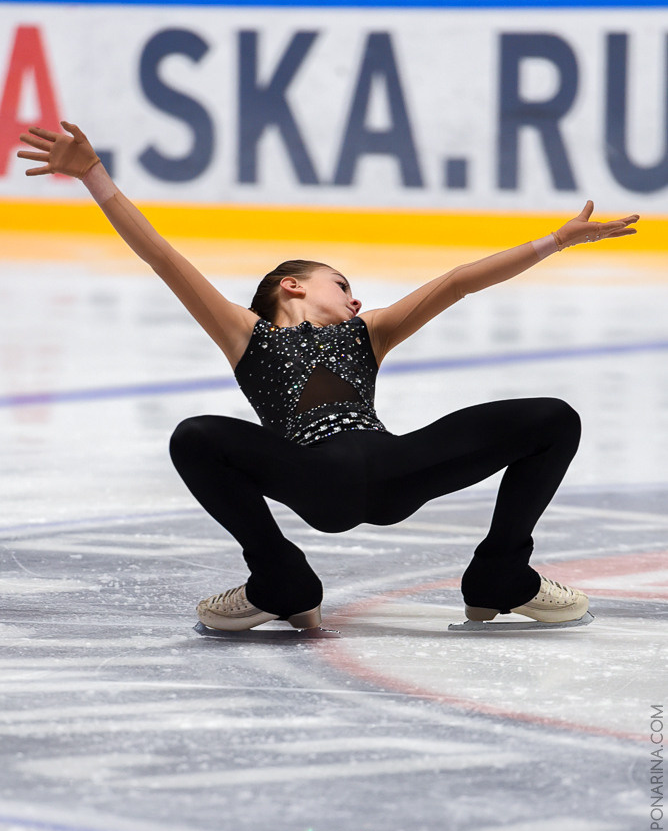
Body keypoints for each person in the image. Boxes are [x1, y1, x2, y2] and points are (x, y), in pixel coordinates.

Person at [18, 122, 639, 632]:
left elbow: (456, 281)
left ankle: (501, 572)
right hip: (314, 477)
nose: (355, 299)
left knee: (552, 418)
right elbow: (162, 255)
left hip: (396, 469)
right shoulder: (246, 334)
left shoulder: (368, 333)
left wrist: (554, 242)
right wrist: (94, 175)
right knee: (194, 435)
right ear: (291, 286)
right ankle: (281, 579)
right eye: (341, 285)